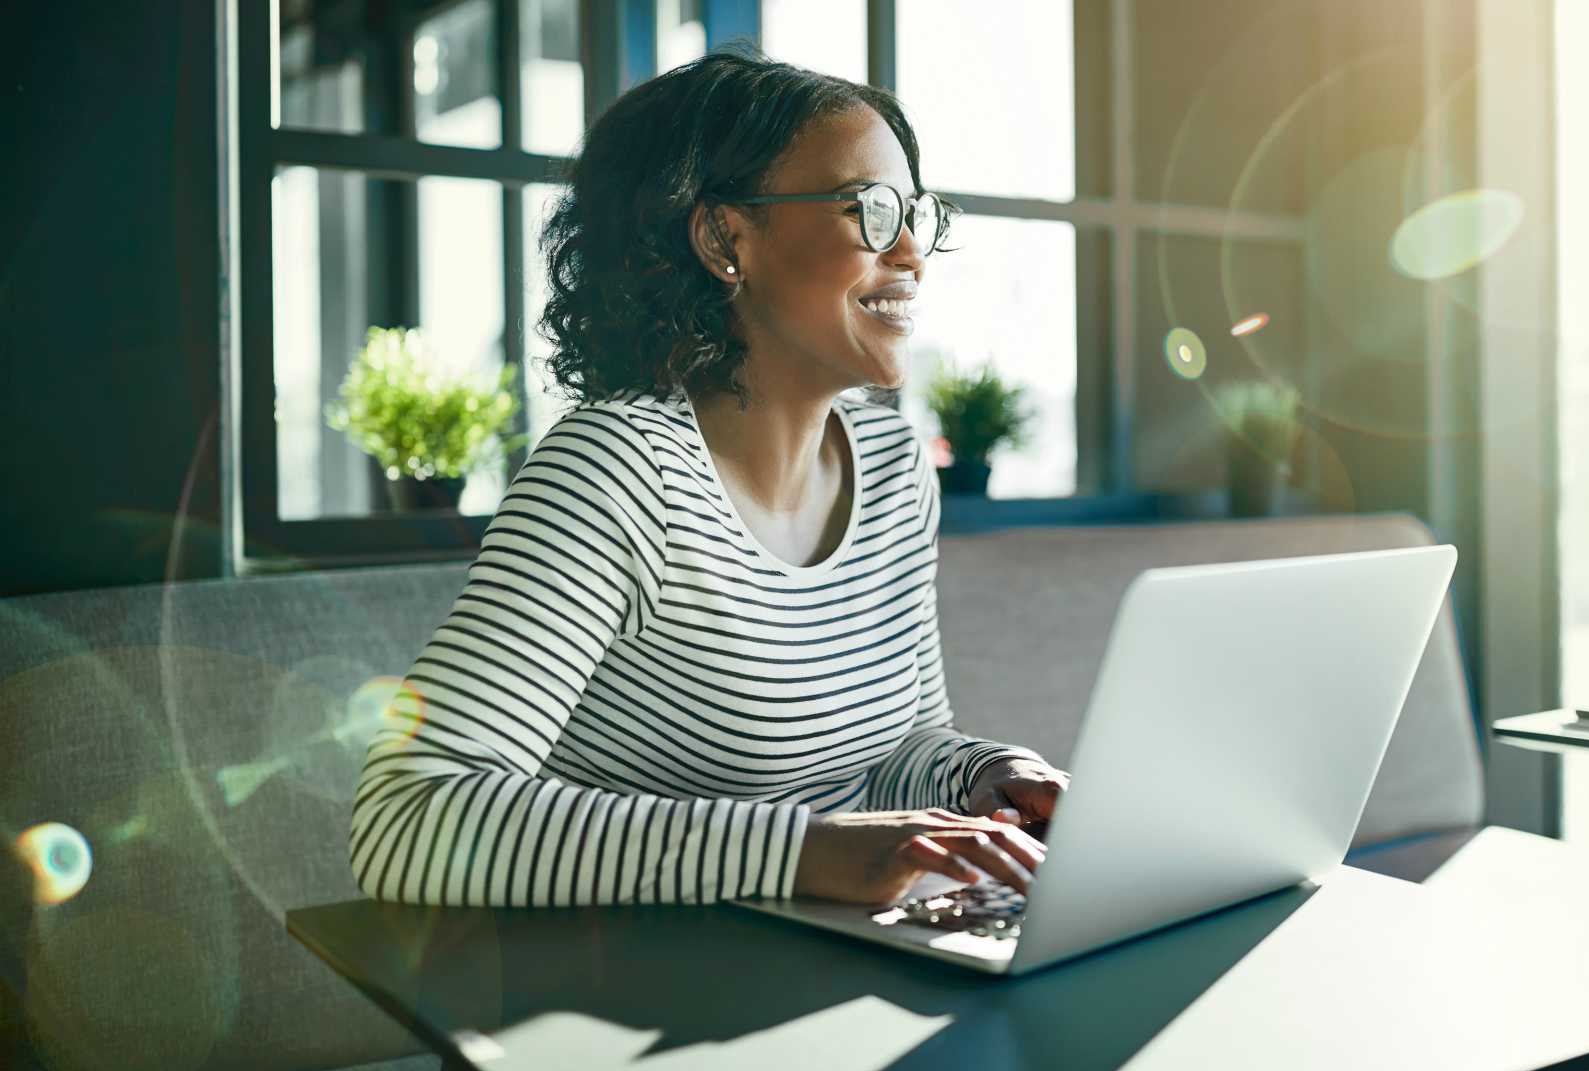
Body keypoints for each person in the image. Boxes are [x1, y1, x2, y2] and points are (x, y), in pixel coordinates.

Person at [347, 44, 1071, 909]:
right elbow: (408, 814)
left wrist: (984, 777)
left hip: (823, 973)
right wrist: (804, 852)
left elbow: (896, 747)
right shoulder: (614, 472)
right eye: (871, 212)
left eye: (916, 213)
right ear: (726, 239)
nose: (912, 251)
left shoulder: (892, 467)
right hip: (616, 1004)